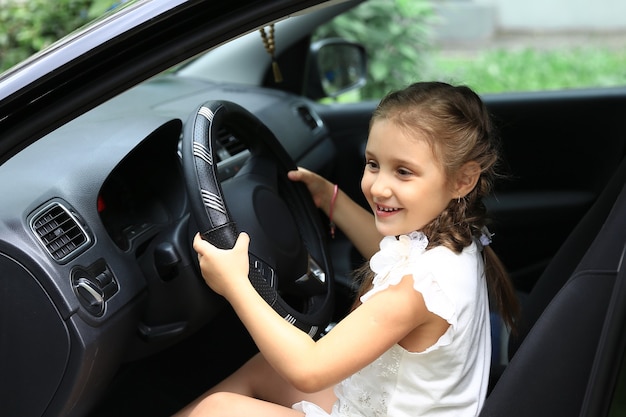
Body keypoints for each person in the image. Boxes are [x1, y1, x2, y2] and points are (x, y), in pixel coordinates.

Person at [174, 81, 519, 417]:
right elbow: (391, 256)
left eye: (403, 172)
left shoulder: (416, 291)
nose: (379, 186)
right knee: (264, 368)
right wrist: (328, 198)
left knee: (216, 410)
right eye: (373, 164)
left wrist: (235, 283)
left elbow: (308, 369)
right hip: (391, 401)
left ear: (463, 180)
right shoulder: (456, 236)